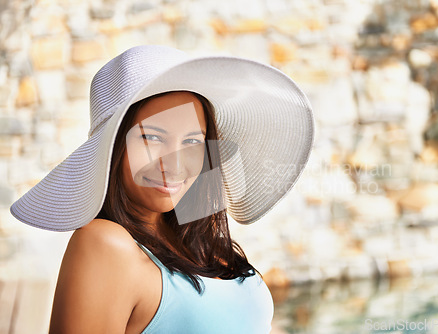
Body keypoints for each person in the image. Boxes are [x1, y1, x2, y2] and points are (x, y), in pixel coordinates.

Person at [10, 45, 314, 333]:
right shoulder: (105, 244)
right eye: (152, 138)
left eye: (192, 142)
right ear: (113, 146)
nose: (175, 164)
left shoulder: (205, 246)